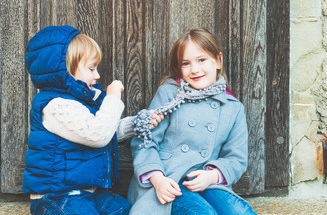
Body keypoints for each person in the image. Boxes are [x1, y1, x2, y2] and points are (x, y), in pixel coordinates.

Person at [22, 25, 162, 215]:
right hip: (58, 195)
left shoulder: (83, 101)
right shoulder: (55, 106)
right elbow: (98, 135)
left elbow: (105, 129)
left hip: (87, 191)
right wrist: (112, 98)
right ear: (66, 70)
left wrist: (136, 124)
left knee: (121, 209)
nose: (97, 76)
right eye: (91, 69)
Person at [127, 28, 256, 214]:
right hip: (168, 180)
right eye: (186, 63)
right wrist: (157, 179)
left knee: (240, 212)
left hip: (206, 183)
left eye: (201, 60)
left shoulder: (232, 107)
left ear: (218, 61)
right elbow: (144, 140)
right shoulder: (170, 94)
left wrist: (212, 176)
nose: (194, 70)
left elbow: (236, 158)